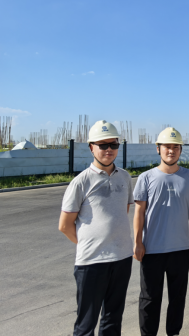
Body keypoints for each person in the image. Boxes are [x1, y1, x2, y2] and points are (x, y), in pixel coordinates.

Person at [58, 120, 133, 336]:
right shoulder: (81, 182)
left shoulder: (125, 177)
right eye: (103, 145)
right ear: (91, 147)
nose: (109, 149)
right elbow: (65, 225)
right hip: (91, 262)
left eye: (113, 144)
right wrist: (90, 244)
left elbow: (123, 211)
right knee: (86, 323)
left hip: (122, 258)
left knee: (113, 319)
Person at [133, 127, 189, 336]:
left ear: (180, 149)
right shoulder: (146, 177)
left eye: (175, 147)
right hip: (152, 250)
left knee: (177, 297)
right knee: (149, 299)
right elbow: (139, 212)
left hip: (180, 249)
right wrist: (137, 242)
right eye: (166, 147)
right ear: (158, 149)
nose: (171, 151)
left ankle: (174, 333)